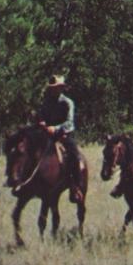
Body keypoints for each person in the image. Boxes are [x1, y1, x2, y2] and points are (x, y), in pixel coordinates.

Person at [37, 74, 83, 203]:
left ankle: (76, 187)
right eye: (52, 88)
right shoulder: (46, 103)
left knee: (74, 155)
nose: (54, 90)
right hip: (47, 135)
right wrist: (41, 123)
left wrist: (55, 128)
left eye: (57, 87)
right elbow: (41, 116)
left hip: (63, 135)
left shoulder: (67, 102)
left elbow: (70, 122)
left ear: (61, 88)